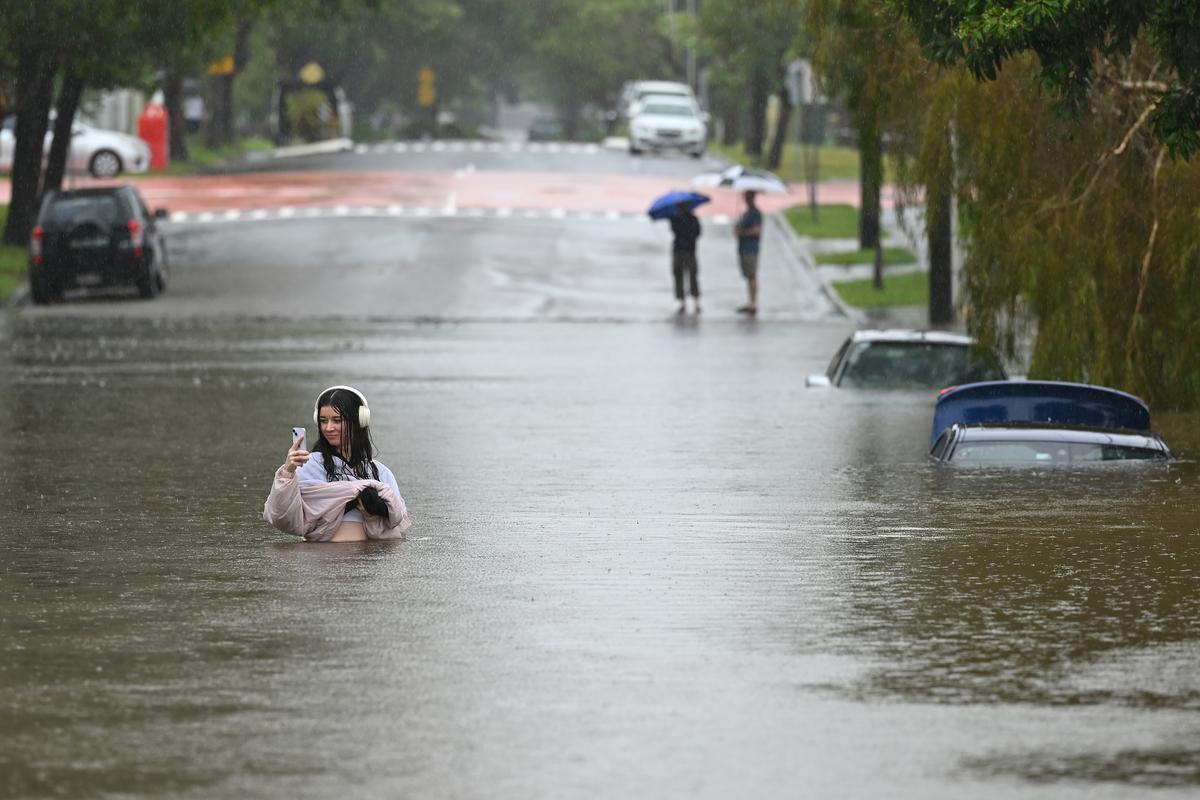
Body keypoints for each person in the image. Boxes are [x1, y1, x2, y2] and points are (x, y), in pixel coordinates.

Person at [263, 385, 411, 542]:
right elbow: (280, 516)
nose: (328, 428)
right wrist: (287, 471)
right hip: (321, 561)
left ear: (359, 420)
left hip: (368, 561)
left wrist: (372, 513)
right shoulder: (308, 465)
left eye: (337, 420)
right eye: (323, 421)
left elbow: (399, 528)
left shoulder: (380, 472)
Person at [734, 190, 762, 316]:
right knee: (748, 275)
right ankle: (750, 301)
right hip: (743, 248)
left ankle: (753, 303)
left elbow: (756, 231)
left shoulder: (756, 214)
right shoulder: (746, 213)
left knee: (752, 275)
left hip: (751, 248)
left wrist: (743, 233)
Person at [670, 202, 702, 314]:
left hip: (689, 250)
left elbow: (698, 233)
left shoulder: (693, 219)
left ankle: (696, 302)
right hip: (679, 250)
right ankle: (682, 302)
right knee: (679, 275)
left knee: (692, 275)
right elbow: (674, 230)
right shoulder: (675, 218)